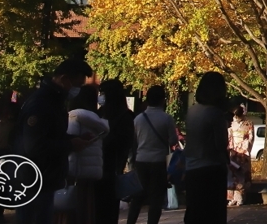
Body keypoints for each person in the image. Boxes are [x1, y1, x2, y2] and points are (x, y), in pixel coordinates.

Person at [15, 58, 95, 224]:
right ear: (64, 78)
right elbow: (34, 145)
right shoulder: (42, 103)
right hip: (34, 179)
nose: (77, 90)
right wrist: (69, 144)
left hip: (45, 177)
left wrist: (74, 140)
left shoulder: (54, 101)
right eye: (77, 85)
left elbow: (53, 135)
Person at [183, 72, 230, 224]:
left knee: (195, 211)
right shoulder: (215, 114)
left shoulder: (192, 111)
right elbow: (220, 144)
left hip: (192, 167)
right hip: (212, 168)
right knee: (213, 214)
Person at [127, 86, 178, 224]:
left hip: (141, 160)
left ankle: (130, 221)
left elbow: (134, 141)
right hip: (159, 161)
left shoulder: (138, 119)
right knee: (156, 197)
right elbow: (173, 140)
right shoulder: (166, 118)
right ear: (163, 100)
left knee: (138, 196)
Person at [67, 84, 110, 224]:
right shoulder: (97, 120)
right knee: (87, 209)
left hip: (75, 170)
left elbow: (70, 142)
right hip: (92, 171)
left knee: (71, 209)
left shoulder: (73, 116)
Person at [97, 80, 134, 224]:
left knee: (106, 211)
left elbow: (123, 143)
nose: (101, 96)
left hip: (110, 168)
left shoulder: (123, 116)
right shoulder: (122, 115)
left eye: (103, 93)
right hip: (106, 168)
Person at [226, 106, 253, 207]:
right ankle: (232, 197)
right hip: (233, 152)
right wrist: (230, 148)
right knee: (232, 175)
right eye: (235, 116)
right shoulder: (231, 124)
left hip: (243, 152)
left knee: (242, 175)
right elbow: (229, 137)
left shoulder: (248, 124)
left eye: (238, 115)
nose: (236, 118)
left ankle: (241, 197)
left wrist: (244, 147)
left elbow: (250, 138)